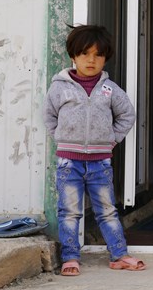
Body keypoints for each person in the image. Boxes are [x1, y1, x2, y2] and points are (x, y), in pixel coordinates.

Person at [43, 24, 145, 276]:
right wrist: (62, 139)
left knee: (107, 211)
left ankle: (119, 255)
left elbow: (127, 115)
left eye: (98, 55)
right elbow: (49, 116)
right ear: (73, 56)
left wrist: (112, 140)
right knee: (69, 212)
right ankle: (70, 257)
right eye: (85, 54)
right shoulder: (60, 87)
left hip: (100, 163)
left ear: (105, 58)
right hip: (69, 163)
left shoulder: (109, 89)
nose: (91, 60)